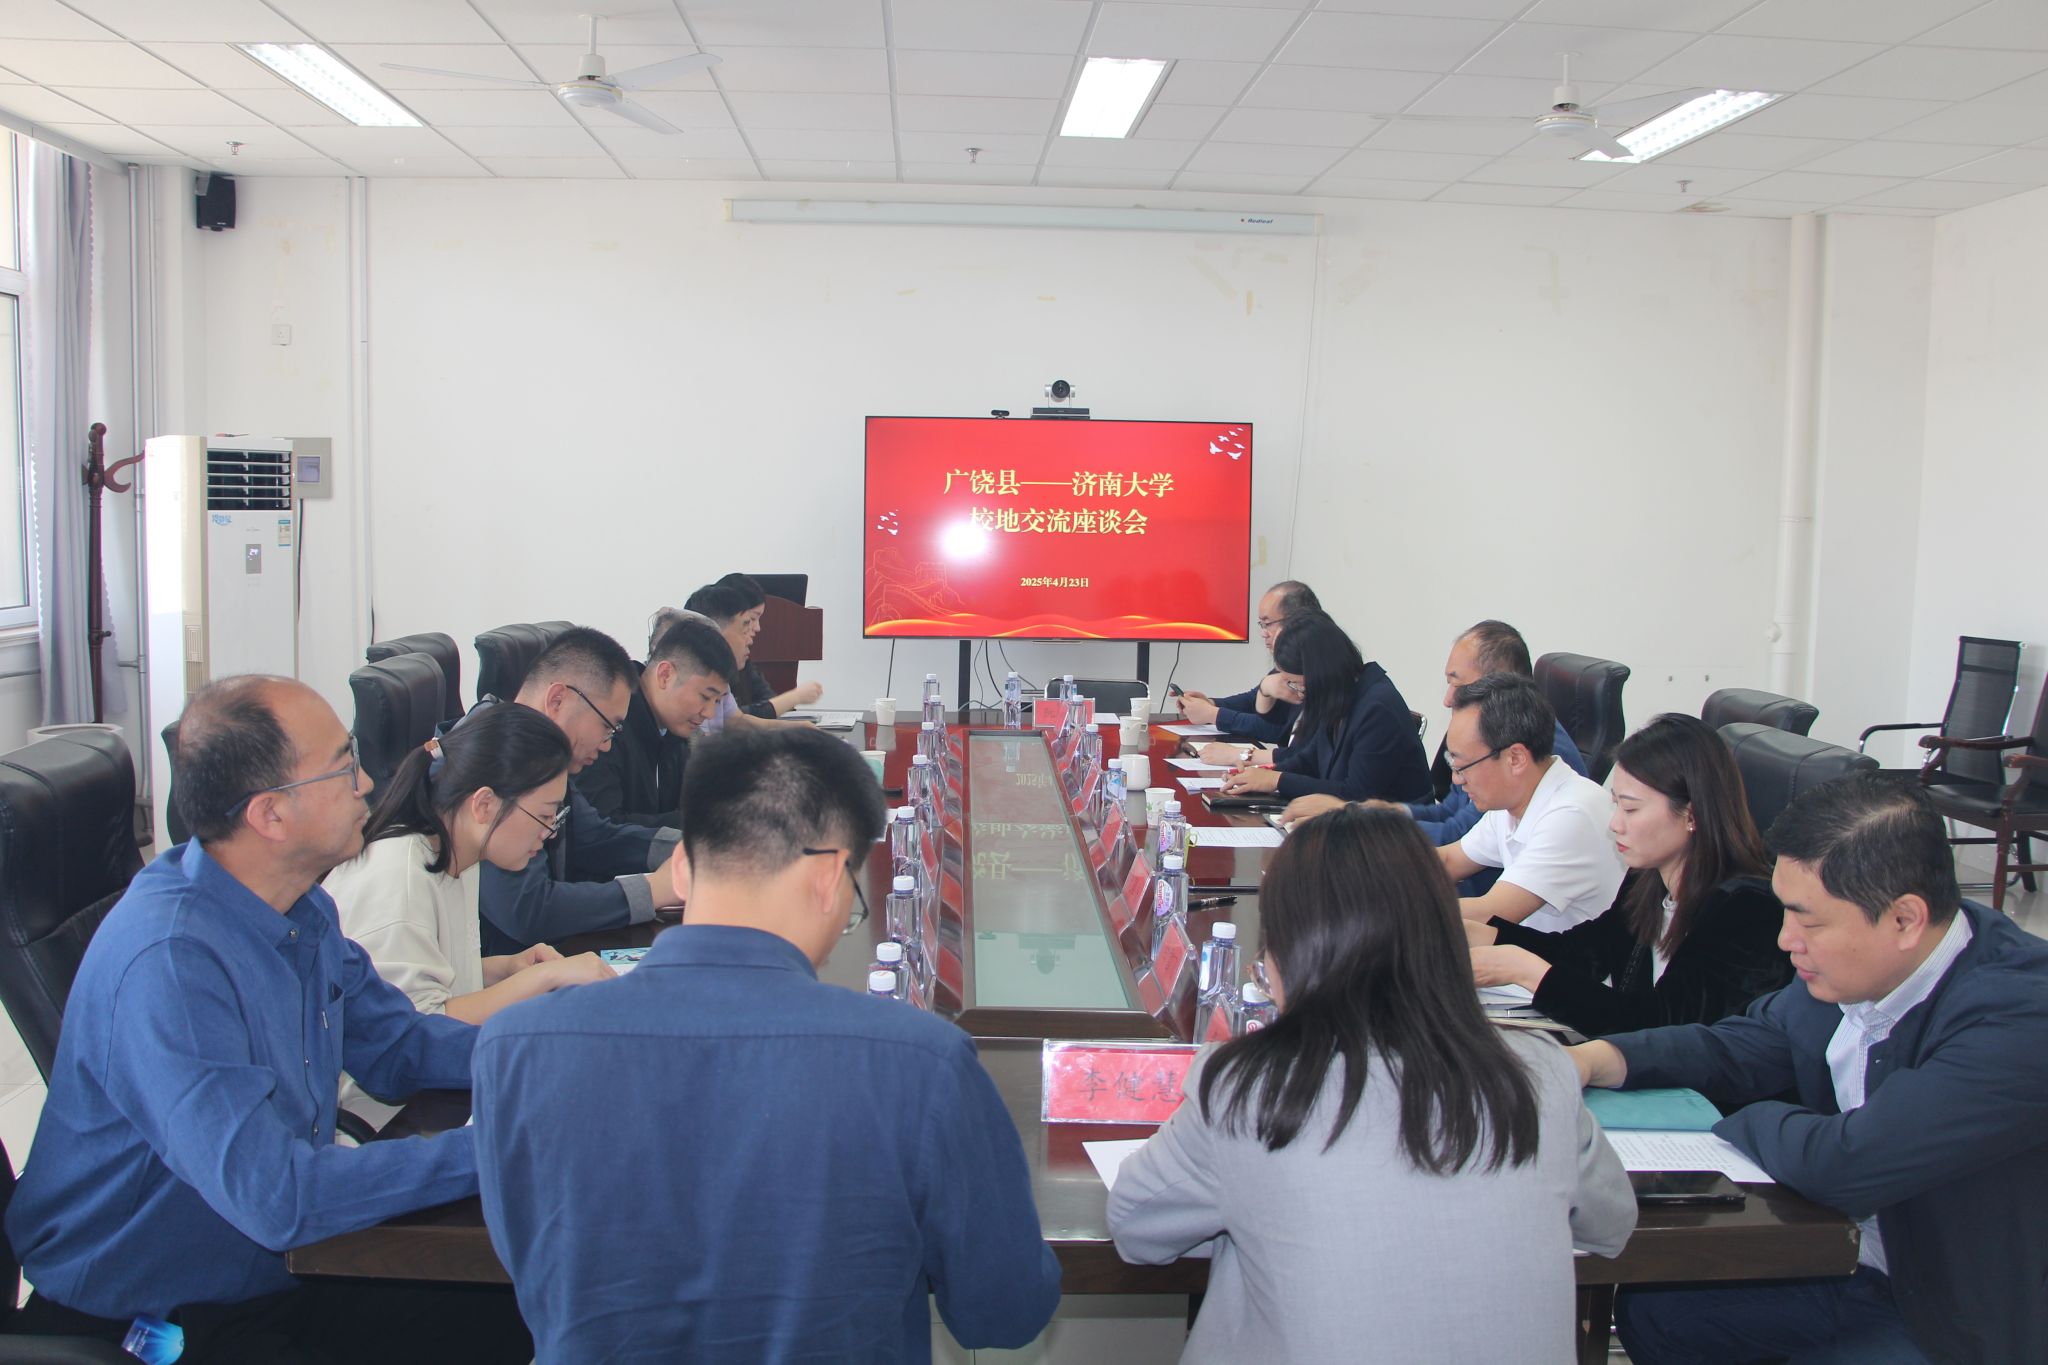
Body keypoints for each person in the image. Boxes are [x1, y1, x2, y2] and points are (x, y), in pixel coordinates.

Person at [472, 726, 1061, 1361]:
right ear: (830, 877)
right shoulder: (922, 1065)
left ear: (681, 867)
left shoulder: (514, 1049)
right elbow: (1002, 1311)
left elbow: (532, 1269)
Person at [4, 676, 531, 1362]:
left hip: (272, 1266)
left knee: (534, 1298)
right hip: (156, 1316)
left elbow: (397, 1046)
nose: (367, 783)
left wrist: (546, 1057)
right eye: (343, 767)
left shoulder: (300, 907)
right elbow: (279, 1196)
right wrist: (500, 1145)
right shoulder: (172, 963)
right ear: (270, 815)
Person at [1108, 805, 1635, 1362]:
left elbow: (1136, 1227)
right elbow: (1611, 1225)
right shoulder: (1542, 1070)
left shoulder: (1245, 1086)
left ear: (1290, 952)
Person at [1571, 774, 2048, 1365]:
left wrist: (1737, 1124)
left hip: (1960, 1314)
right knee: (1662, 1313)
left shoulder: (2021, 1017)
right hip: (1857, 1259)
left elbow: (1847, 1163)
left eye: (1809, 921)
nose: (1785, 939)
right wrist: (1600, 1058)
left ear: (1904, 919)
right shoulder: (1866, 966)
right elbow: (1743, 1044)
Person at [324, 703, 615, 1126]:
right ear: (484, 804)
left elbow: (429, 975)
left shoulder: (457, 852)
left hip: (437, 1090)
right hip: (387, 1121)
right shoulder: (398, 877)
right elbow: (411, 1037)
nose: (549, 833)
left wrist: (504, 969)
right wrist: (542, 978)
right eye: (544, 815)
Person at [1466, 713, 1790, 1037]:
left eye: (1631, 809)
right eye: (1616, 805)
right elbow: (1586, 953)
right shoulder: (1649, 878)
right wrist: (1485, 935)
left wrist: (1526, 971)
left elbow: (1661, 1028)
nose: (1615, 824)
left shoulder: (1747, 910)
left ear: (1691, 815)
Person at [1279, 619, 1586, 896]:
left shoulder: (1529, 753)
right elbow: (1448, 814)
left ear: (1499, 684)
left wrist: (1358, 821)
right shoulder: (1495, 738)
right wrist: (1369, 814)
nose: (1448, 699)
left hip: (1479, 895)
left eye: (1458, 684)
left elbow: (1456, 835)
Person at [476, 625, 686, 955]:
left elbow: (596, 837)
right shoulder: (491, 759)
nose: (607, 745)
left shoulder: (541, 758)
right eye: (608, 726)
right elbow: (527, 908)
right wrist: (653, 890)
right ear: (557, 699)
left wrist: (692, 850)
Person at [1426, 672, 1623, 932]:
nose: (1456, 779)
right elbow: (1450, 861)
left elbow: (1490, 913)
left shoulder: (1571, 815)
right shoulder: (1515, 798)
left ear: (1515, 758)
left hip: (1562, 958)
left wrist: (1393, 907)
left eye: (1462, 766)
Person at [1215, 611, 1430, 803]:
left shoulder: (1377, 708)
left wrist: (1276, 780)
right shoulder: (1340, 694)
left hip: (1390, 828)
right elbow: (1311, 760)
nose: (1298, 692)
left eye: (1296, 683)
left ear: (1319, 674)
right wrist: (1261, 774)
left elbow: (1357, 795)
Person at [578, 615, 735, 827]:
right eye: (706, 697)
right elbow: (602, 827)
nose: (710, 713)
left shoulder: (672, 730)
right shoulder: (607, 724)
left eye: (717, 701)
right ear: (665, 675)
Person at [1181, 579, 1318, 758]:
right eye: (1261, 624)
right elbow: (1252, 700)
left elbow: (1277, 729)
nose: (1263, 633)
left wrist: (1214, 715)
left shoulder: (1314, 669)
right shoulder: (1290, 661)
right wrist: (1211, 704)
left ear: (1297, 621)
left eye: (1268, 623)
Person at [683, 582, 803, 736]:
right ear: (715, 633)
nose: (750, 640)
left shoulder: (720, 676)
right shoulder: (690, 680)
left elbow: (736, 721)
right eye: (744, 630)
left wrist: (800, 729)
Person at [717, 571, 824, 718]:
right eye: (751, 620)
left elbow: (767, 699)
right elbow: (731, 718)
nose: (757, 628)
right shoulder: (711, 662)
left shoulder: (743, 659)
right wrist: (796, 697)